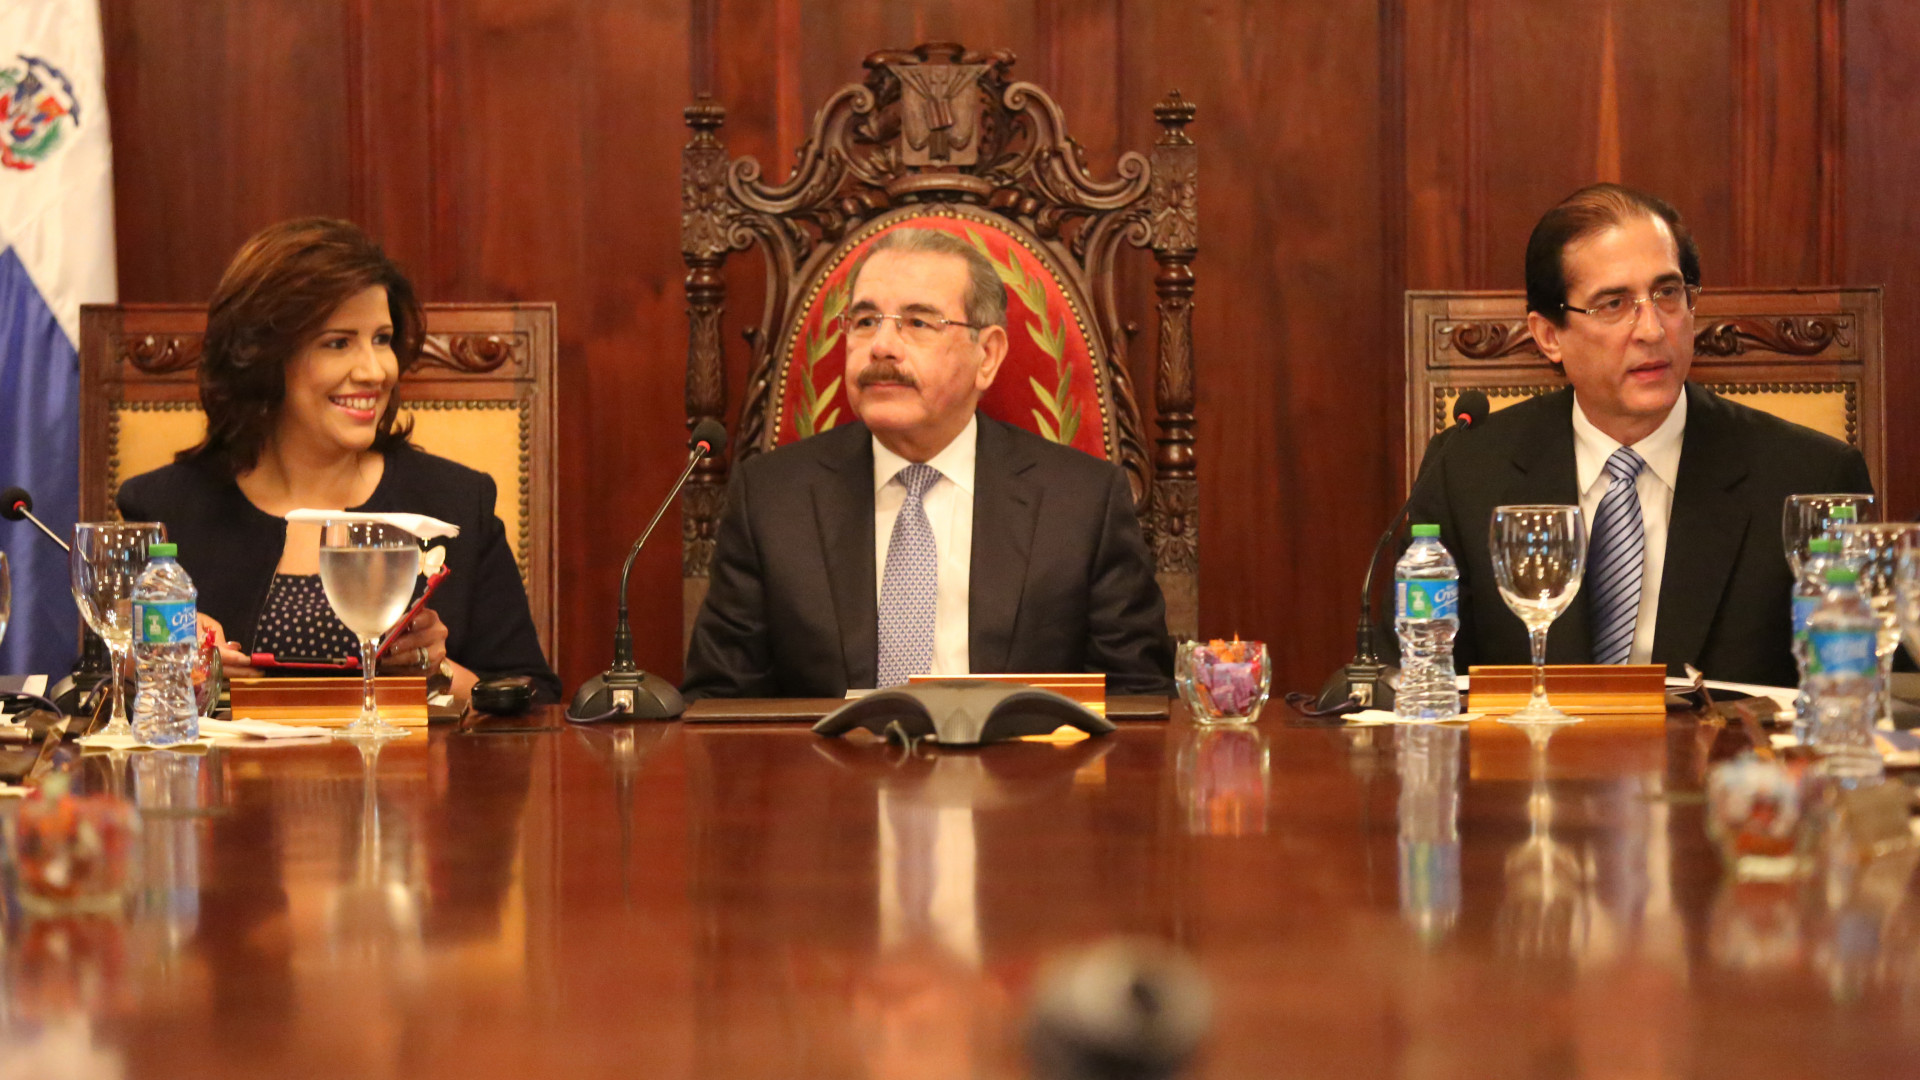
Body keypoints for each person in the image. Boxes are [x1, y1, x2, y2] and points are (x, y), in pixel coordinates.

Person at [1404, 184, 1874, 687]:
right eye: (1613, 303)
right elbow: (1416, 680)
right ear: (1549, 336)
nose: (1652, 329)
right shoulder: (1464, 472)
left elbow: (1866, 687)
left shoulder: (1811, 480)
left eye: (1667, 293)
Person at [682, 226, 1173, 699]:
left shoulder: (1082, 503)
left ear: (987, 355)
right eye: (865, 321)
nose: (881, 346)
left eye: (918, 323)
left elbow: (1136, 700)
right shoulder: (770, 500)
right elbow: (722, 702)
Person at [116, 218, 561, 704]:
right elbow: (89, 699)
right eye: (338, 342)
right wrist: (154, 663)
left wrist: (435, 673)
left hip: (410, 759)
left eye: (382, 339)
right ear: (263, 357)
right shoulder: (164, 509)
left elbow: (532, 703)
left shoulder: (455, 501)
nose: (375, 371)